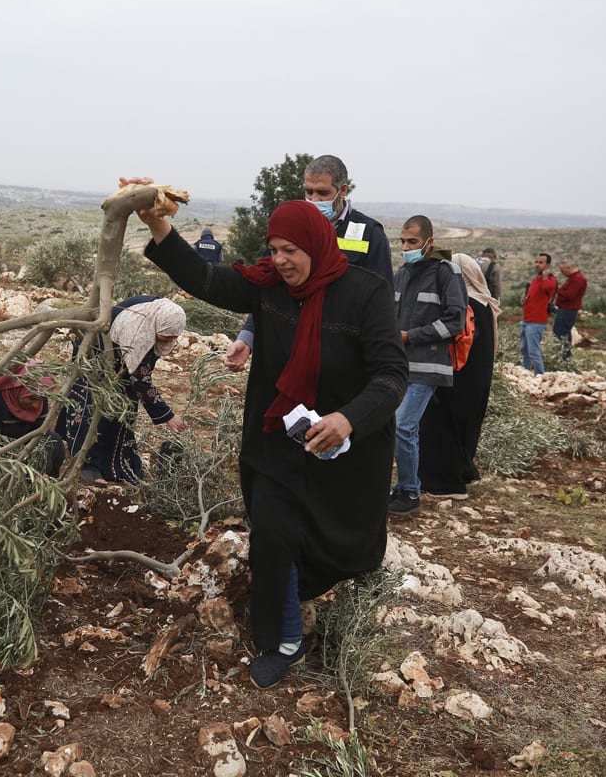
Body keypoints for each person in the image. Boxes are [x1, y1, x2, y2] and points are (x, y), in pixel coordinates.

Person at [135, 184, 407, 689]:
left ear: (318, 246)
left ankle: (312, 593)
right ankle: (282, 639)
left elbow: (392, 374)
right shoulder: (267, 286)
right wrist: (157, 225)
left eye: (291, 251)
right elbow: (206, 280)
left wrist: (348, 419)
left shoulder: (365, 294)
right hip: (277, 438)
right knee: (274, 533)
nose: (279, 261)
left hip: (345, 449)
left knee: (336, 544)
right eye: (274, 249)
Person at [223, 154, 393, 371]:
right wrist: (248, 337)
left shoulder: (369, 234)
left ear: (342, 191)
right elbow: (267, 286)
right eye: (309, 192)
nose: (314, 199)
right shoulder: (289, 227)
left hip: (342, 358)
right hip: (288, 348)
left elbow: (382, 303)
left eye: (323, 193)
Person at [388, 216, 467, 517]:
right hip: (398, 366)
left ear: (429, 242)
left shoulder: (447, 273)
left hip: (428, 365)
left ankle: (410, 492)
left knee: (404, 425)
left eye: (413, 242)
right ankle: (398, 489)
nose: (406, 247)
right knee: (393, 426)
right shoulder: (402, 274)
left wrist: (411, 336)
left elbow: (455, 322)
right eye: (403, 242)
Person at [64, 295, 188, 484]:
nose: (168, 341)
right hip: (95, 352)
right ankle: (88, 464)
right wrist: (167, 415)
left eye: (173, 337)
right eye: (166, 336)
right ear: (156, 326)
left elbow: (141, 370)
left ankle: (117, 464)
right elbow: (140, 378)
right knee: (92, 402)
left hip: (121, 360)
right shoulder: (138, 327)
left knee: (124, 405)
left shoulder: (162, 315)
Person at [419, 253, 500, 499]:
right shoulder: (486, 303)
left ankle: (445, 483)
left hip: (457, 376)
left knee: (441, 425)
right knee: (465, 426)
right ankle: (463, 470)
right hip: (478, 378)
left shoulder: (464, 303)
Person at [0, 360, 65, 477]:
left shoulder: (39, 395)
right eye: (32, 399)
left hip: (23, 445)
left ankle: (46, 484)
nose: (36, 405)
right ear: (18, 388)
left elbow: (40, 432)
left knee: (54, 441)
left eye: (41, 399)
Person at [520, 253, 558, 374]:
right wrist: (524, 299)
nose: (537, 265)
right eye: (536, 262)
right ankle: (525, 374)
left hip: (536, 322)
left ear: (547, 265)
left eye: (540, 262)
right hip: (527, 320)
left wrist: (545, 276)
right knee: (524, 350)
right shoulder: (535, 280)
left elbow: (547, 288)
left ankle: (540, 376)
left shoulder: (551, 280)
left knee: (533, 352)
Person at [553, 259, 587, 361]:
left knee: (561, 333)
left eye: (563, 271)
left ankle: (563, 357)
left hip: (568, 310)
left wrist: (558, 291)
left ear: (568, 268)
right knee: (562, 333)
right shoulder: (573, 278)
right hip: (565, 309)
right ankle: (563, 356)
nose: (562, 274)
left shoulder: (578, 279)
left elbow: (569, 295)